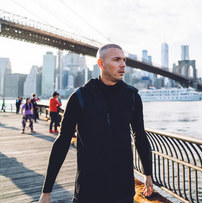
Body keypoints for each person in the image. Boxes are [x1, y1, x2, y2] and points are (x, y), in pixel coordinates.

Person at [39, 44, 153, 203]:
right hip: (88, 191)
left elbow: (140, 135)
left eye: (124, 60)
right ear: (101, 64)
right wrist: (47, 190)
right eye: (117, 59)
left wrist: (148, 174)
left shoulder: (132, 96)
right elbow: (63, 141)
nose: (123, 64)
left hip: (123, 191)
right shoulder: (79, 97)